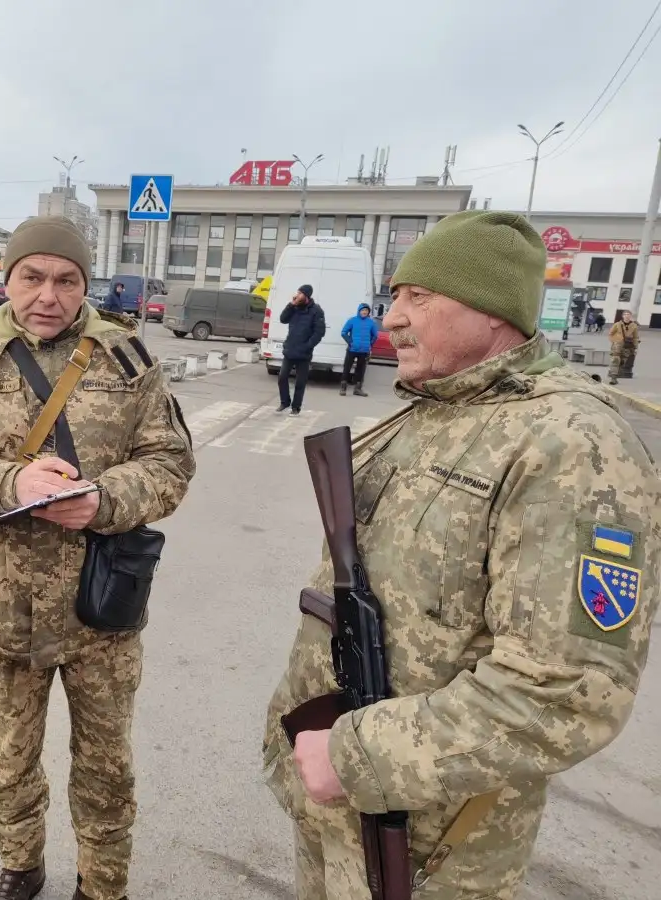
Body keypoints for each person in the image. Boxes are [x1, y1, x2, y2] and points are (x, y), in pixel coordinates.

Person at [262, 209, 659, 899]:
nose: (393, 319)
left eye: (420, 298)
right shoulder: (433, 408)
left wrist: (354, 756)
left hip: (432, 846)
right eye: (396, 296)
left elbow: (568, 692)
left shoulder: (572, 444)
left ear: (492, 308)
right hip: (340, 810)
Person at [0, 216, 197, 900]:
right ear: (6, 279)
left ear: (84, 285)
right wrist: (8, 483)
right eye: (32, 277)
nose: (49, 294)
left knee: (105, 766)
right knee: (9, 760)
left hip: (103, 607)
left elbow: (171, 463)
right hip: (4, 610)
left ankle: (103, 885)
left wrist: (106, 500)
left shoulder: (126, 358)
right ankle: (20, 864)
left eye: (66, 280)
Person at [277, 284, 326, 415]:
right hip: (290, 349)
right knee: (282, 377)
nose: (297, 295)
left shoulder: (316, 311)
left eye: (300, 293)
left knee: (300, 381)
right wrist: (291, 304)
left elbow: (319, 332)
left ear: (306, 295)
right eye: (297, 292)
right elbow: (283, 319)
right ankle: (284, 402)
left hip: (304, 352)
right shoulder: (294, 307)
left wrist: (308, 346)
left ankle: (295, 407)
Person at [338, 302, 379, 396]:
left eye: (366, 311)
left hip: (364, 351)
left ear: (368, 312)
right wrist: (351, 342)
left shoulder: (371, 323)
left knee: (360, 370)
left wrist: (369, 345)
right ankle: (343, 388)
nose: (364, 312)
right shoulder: (352, 320)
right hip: (352, 349)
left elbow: (375, 336)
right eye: (363, 310)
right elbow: (344, 332)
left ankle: (357, 389)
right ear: (359, 311)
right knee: (346, 368)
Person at [609, 309, 639, 385]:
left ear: (630, 316)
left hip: (627, 347)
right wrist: (615, 341)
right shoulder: (617, 324)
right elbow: (610, 334)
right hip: (617, 346)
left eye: (628, 314)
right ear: (623, 316)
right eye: (625, 314)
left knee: (622, 362)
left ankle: (615, 374)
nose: (627, 316)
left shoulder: (634, 326)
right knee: (615, 360)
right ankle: (613, 378)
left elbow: (636, 337)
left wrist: (635, 347)